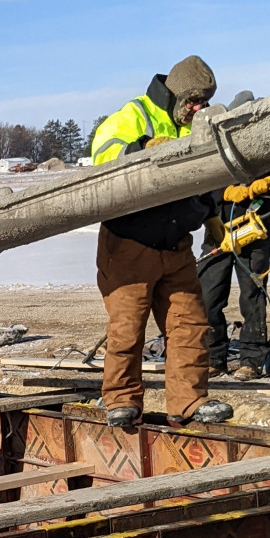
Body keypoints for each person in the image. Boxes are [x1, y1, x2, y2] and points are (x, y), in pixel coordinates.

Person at [89, 55, 234, 429]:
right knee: (127, 327)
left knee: (190, 324)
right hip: (129, 243)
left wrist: (212, 216)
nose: (197, 109)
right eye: (193, 101)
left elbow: (206, 175)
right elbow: (101, 153)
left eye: (203, 102)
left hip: (175, 244)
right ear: (177, 94)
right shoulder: (136, 114)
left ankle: (189, 401)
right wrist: (142, 148)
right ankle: (121, 400)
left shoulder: (196, 126)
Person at [198, 97, 270, 379]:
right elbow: (196, 186)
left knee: (253, 297)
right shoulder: (216, 149)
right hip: (219, 232)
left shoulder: (269, 151)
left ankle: (252, 359)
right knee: (208, 297)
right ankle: (214, 357)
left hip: (254, 233)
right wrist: (223, 194)